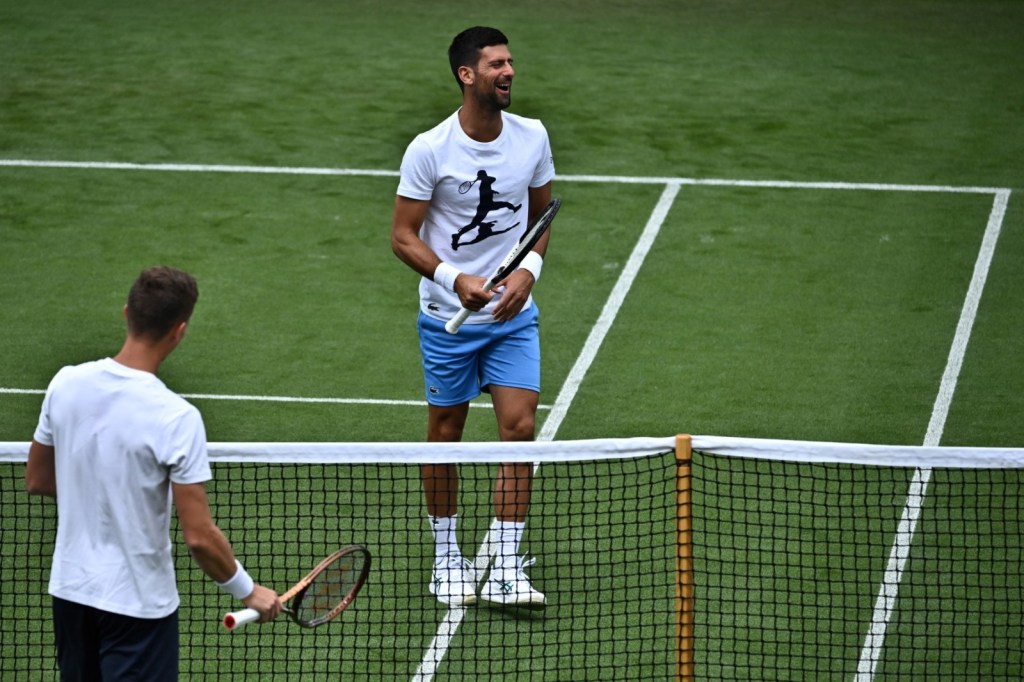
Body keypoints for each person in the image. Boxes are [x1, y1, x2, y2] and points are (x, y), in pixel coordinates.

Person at [25, 266, 282, 680]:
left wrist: (104, 493)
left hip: (70, 594)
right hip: (138, 606)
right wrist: (247, 590)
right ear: (179, 331)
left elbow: (37, 479)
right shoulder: (176, 417)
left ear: (127, 312)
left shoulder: (65, 383)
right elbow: (199, 536)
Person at [390, 26, 555, 609]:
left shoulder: (532, 138)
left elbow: (542, 220)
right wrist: (452, 279)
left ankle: (507, 564)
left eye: (510, 62)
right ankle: (447, 557)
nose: (509, 72)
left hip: (513, 317)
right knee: (445, 437)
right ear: (467, 75)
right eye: (496, 65)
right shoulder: (430, 149)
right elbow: (402, 237)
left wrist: (527, 273)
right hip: (446, 321)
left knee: (518, 429)